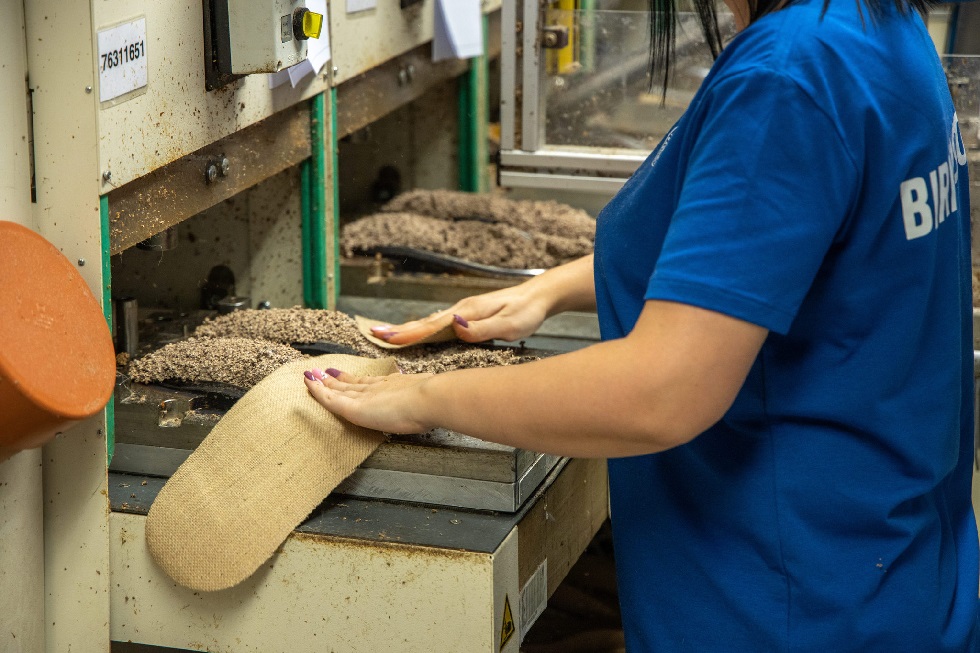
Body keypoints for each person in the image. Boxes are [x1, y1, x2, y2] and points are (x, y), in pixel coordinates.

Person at [303, 0, 978, 648]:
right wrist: (557, 287)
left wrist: (420, 396)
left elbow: (660, 391)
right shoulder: (879, 26)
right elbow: (782, 243)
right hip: (901, 575)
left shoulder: (788, 75)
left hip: (792, 603)